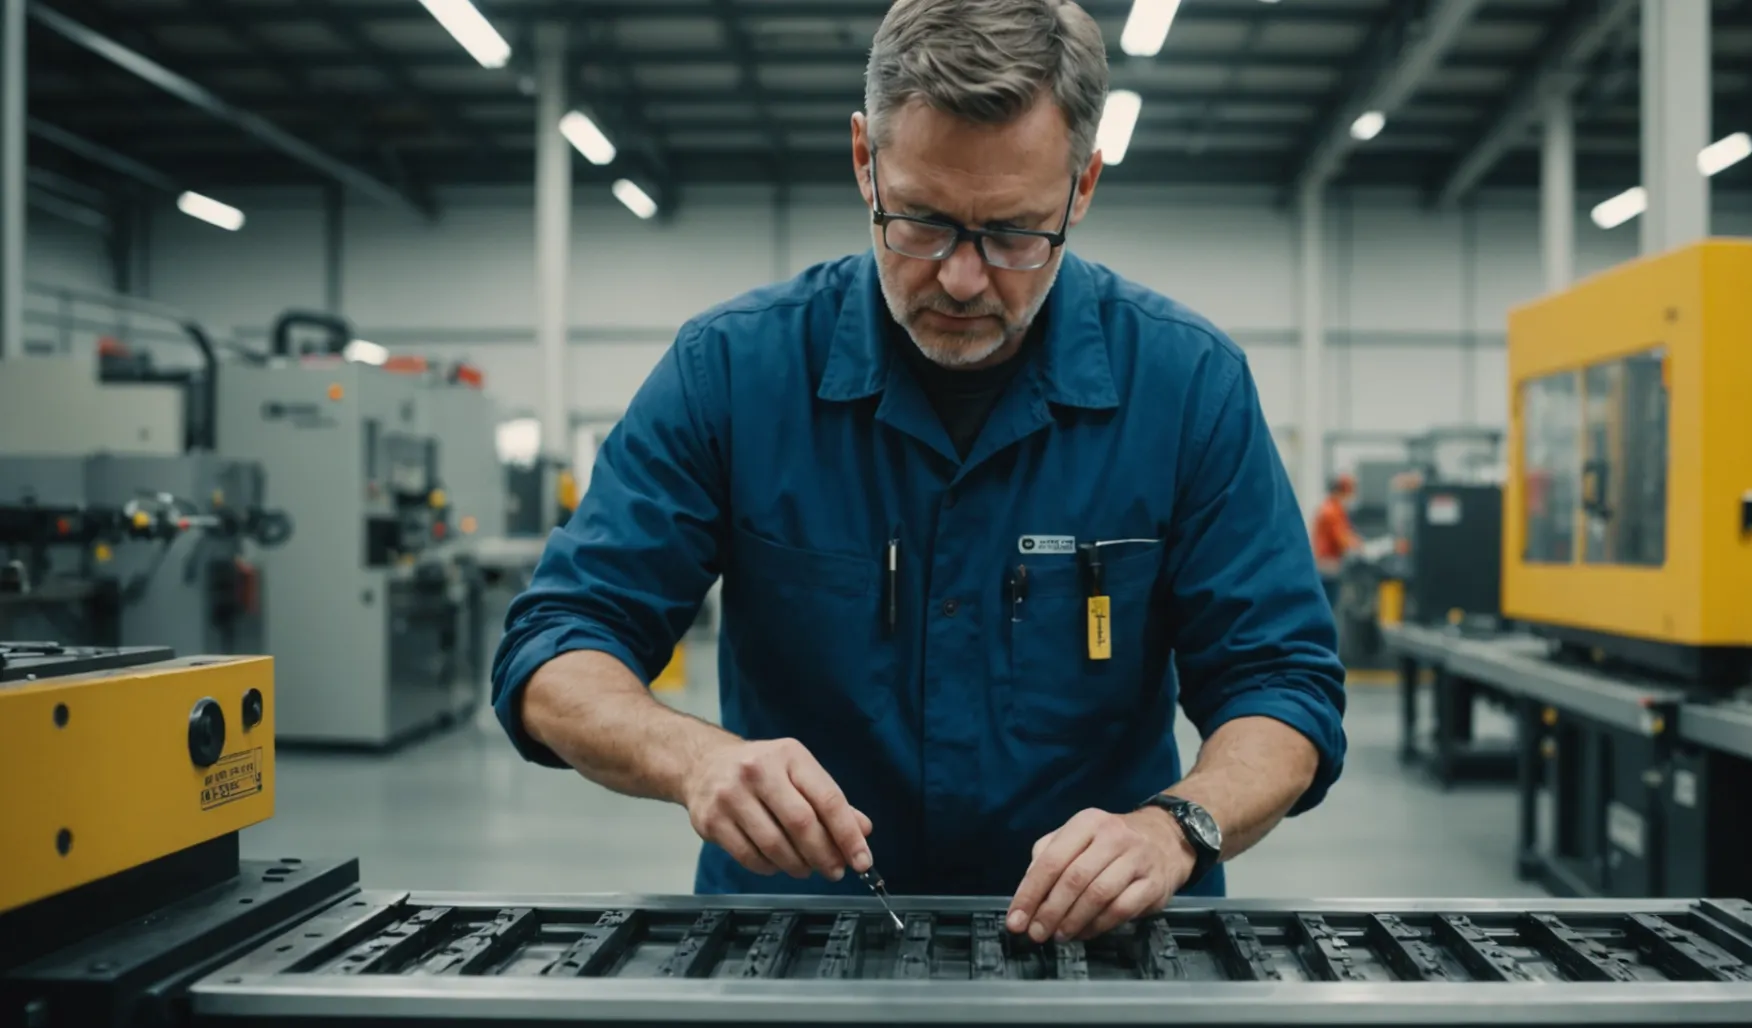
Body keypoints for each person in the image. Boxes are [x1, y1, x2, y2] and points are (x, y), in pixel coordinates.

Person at [491, 0, 1346, 945]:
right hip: (792, 938)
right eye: (925, 223)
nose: (963, 280)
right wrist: (693, 757)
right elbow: (557, 648)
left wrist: (1177, 827)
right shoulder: (732, 373)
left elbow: (1282, 683)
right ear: (865, 159)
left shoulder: (1187, 385)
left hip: (1108, 949)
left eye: (1016, 234)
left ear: (1084, 187)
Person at [1311, 474, 1363, 611]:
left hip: (1328, 565)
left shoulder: (1331, 508)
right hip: (1328, 567)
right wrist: (1360, 545)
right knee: (1329, 607)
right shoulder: (1331, 511)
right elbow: (1343, 539)